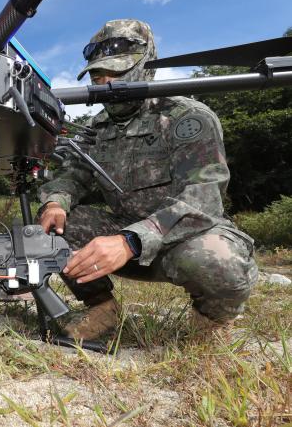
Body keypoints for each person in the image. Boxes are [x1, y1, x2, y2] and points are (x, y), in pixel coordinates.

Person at [38, 19, 258, 341]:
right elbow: (74, 174)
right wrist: (56, 201)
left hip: (185, 237)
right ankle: (101, 310)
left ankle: (209, 326)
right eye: (99, 75)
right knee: (51, 230)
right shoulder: (97, 128)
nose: (105, 82)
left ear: (146, 67)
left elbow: (202, 198)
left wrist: (130, 240)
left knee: (216, 258)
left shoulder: (186, 116)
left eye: (117, 73)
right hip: (122, 232)